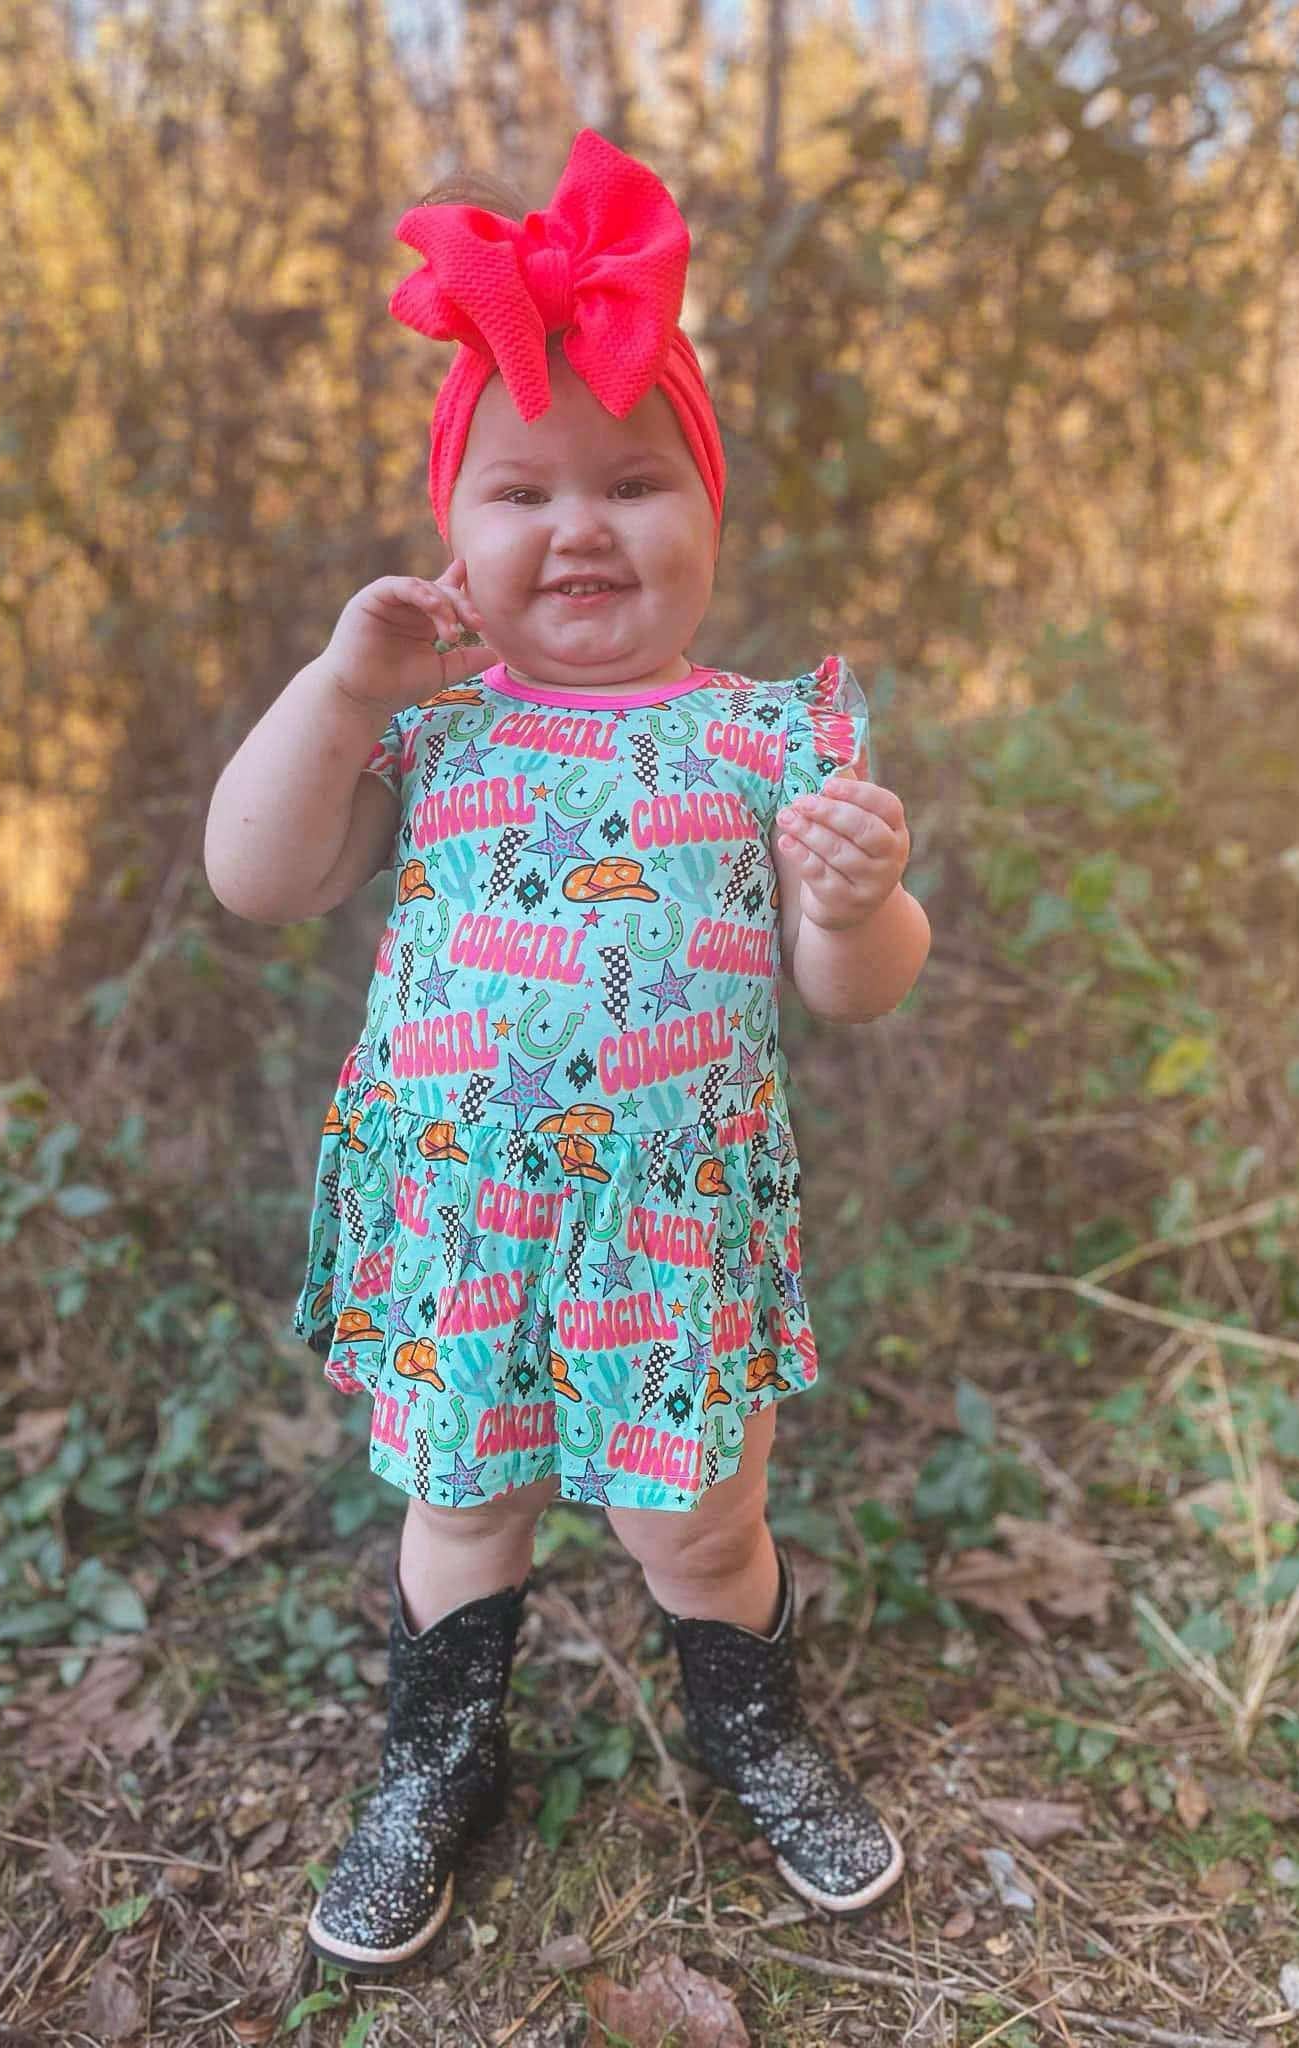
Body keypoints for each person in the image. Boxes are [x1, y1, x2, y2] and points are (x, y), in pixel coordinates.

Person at [205, 128, 931, 1976]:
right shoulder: (428, 729)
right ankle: (438, 1759)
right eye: (522, 490)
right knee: (464, 1511)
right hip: (469, 1223)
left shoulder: (767, 736)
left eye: (634, 481)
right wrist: (344, 689)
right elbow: (256, 875)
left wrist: (854, 905)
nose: (580, 527)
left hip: (669, 1232)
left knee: (702, 1526)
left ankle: (755, 1730)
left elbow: (854, 988)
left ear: (711, 518)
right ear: (454, 534)